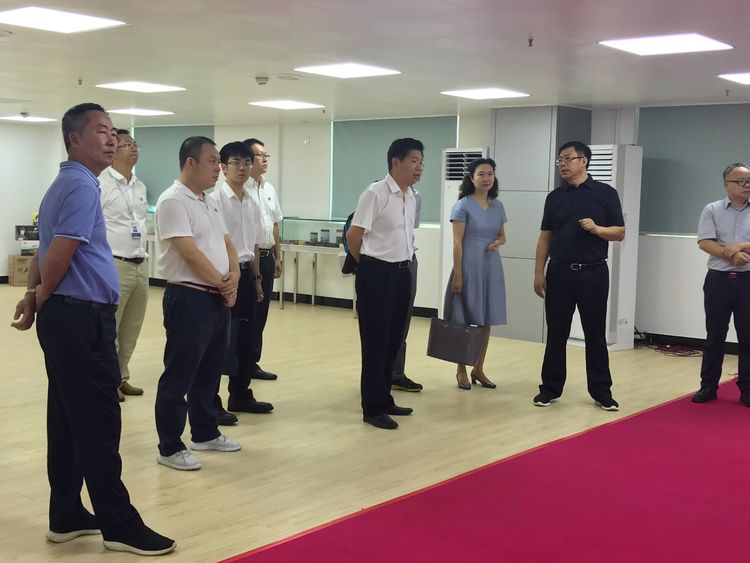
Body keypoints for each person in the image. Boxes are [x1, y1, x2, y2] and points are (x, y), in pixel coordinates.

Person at [11, 103, 175, 556]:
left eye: (113, 132)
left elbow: (44, 252)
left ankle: (65, 514)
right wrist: (40, 296)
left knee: (67, 418)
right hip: (79, 317)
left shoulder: (64, 183)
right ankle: (118, 524)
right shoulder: (83, 186)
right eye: (101, 131)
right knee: (99, 422)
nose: (112, 139)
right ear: (74, 139)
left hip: (69, 315)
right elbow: (59, 252)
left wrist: (34, 295)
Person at [154, 136, 241, 471]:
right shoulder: (173, 200)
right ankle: (169, 446)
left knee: (209, 372)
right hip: (189, 296)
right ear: (190, 162)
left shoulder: (208, 201)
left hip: (216, 297)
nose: (218, 167)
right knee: (180, 374)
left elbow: (227, 243)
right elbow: (188, 252)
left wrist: (234, 276)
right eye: (213, 161)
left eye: (219, 161)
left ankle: (205, 432)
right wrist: (222, 283)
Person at [532, 141, 625, 411]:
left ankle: (601, 391)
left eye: (568, 158)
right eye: (560, 160)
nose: (562, 164)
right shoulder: (554, 197)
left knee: (595, 333)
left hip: (593, 273)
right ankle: (549, 389)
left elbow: (619, 232)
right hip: (559, 272)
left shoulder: (606, 193)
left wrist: (597, 229)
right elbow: (545, 237)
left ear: (584, 161)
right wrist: (538, 272)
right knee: (556, 333)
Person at [346, 138, 423, 430]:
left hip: (403, 271)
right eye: (414, 161)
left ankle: (385, 397)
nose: (419, 167)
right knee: (375, 342)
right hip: (376, 272)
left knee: (393, 339)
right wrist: (366, 266)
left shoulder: (412, 196)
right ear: (395, 162)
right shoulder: (375, 193)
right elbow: (354, 236)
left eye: (421, 162)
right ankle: (373, 407)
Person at [210, 141, 273, 420]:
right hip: (224, 276)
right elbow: (215, 244)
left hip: (247, 274)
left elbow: (255, 245)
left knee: (247, 337)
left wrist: (257, 279)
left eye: (247, 162)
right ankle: (211, 402)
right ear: (223, 167)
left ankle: (241, 394)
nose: (242, 167)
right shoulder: (215, 201)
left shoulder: (252, 200)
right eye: (236, 162)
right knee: (220, 341)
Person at [444, 158, 508, 389]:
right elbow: (457, 242)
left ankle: (478, 368)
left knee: (485, 320)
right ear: (472, 178)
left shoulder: (498, 206)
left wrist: (498, 242)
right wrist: (458, 274)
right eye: (481, 174)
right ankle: (461, 369)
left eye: (490, 174)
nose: (486, 178)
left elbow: (502, 235)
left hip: (490, 266)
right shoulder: (462, 206)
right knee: (463, 319)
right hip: (469, 265)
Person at [692, 163, 750, 407]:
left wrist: (739, 246)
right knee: (714, 335)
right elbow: (705, 242)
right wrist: (732, 254)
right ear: (726, 184)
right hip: (718, 280)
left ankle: (747, 389)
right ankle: (708, 386)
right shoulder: (712, 209)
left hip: (747, 280)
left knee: (748, 336)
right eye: (740, 181)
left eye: (749, 180)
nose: (746, 185)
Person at [99, 129, 148, 402]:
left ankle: (122, 377)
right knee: (111, 327)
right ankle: (108, 382)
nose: (134, 148)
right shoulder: (101, 183)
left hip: (141, 263)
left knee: (132, 327)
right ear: (113, 150)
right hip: (114, 264)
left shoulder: (139, 186)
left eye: (135, 144)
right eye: (127, 145)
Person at [244, 138, 282, 381]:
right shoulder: (242, 189)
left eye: (266, 155)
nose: (265, 159)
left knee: (262, 312)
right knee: (248, 313)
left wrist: (278, 256)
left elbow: (275, 224)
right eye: (260, 155)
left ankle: (253, 361)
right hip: (248, 259)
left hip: (268, 257)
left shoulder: (269, 189)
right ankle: (239, 362)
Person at [391, 188, 424, 393]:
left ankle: (396, 373)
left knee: (403, 319)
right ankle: (376, 376)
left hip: (408, 260)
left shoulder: (416, 197)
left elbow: (411, 228)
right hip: (383, 263)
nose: (418, 171)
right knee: (381, 324)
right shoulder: (378, 193)